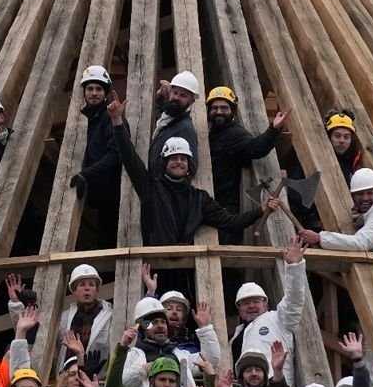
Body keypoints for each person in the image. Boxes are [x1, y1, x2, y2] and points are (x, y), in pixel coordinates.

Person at [115, 119, 282, 257]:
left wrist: (260, 210)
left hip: (186, 270)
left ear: (189, 165)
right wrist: (117, 122)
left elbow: (231, 222)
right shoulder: (150, 188)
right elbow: (130, 160)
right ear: (165, 164)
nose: (179, 162)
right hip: (156, 267)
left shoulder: (199, 198)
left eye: (183, 158)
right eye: (173, 158)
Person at [298, 168, 373, 333]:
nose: (365, 198)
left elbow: (360, 242)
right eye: (360, 194)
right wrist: (360, 218)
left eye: (369, 193)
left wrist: (320, 238)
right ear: (353, 196)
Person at [203, 89, 288, 240]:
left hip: (226, 205)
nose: (219, 112)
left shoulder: (235, 134)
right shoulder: (205, 132)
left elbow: (256, 148)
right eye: (214, 108)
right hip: (205, 202)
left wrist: (274, 129)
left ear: (233, 111)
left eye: (224, 108)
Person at [70, 64, 123, 237]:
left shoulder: (110, 118)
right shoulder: (89, 119)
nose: (94, 93)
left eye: (99, 89)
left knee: (108, 240)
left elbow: (116, 155)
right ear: (84, 92)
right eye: (90, 88)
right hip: (99, 195)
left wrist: (86, 174)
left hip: (112, 195)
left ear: (105, 92)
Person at [55, 263, 117, 373]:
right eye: (82, 284)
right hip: (67, 381)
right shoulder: (64, 318)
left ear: (97, 290)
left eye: (91, 285)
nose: (87, 288)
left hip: (98, 383)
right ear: (74, 290)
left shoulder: (111, 316)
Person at [148, 71, 204, 174]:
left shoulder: (184, 128)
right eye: (175, 93)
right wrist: (160, 98)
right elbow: (164, 112)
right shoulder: (170, 119)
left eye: (183, 95)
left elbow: (191, 167)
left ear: (191, 101)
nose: (176, 97)